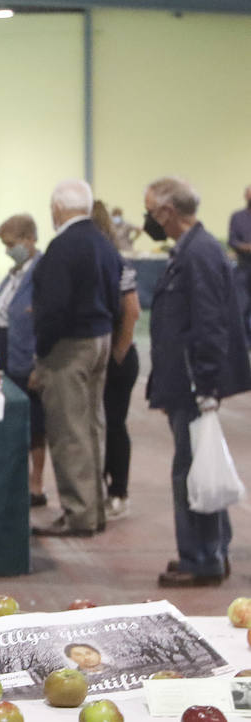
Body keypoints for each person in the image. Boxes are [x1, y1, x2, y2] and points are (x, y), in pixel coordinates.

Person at [144, 176, 251, 587]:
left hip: (193, 382)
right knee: (199, 467)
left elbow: (209, 323)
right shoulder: (191, 250)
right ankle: (211, 551)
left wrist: (205, 385)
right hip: (185, 381)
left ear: (168, 212)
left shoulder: (199, 253)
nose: (149, 220)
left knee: (191, 471)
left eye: (152, 211)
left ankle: (202, 558)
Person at [30, 179, 123, 538]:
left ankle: (78, 514)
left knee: (69, 431)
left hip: (69, 346)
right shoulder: (102, 241)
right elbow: (116, 295)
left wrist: (43, 350)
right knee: (92, 427)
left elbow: (53, 306)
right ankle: (94, 509)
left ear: (57, 208)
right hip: (100, 338)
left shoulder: (63, 247)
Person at [0, 214, 48, 507]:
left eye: (10, 243)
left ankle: (36, 484)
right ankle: (14, 477)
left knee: (35, 422)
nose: (7, 249)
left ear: (29, 239)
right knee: (11, 417)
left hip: (27, 352)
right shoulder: (13, 273)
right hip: (4, 348)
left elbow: (43, 319)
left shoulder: (41, 272)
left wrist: (39, 362)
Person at [91, 201, 142, 520]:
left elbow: (132, 311)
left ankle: (118, 491)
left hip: (118, 357)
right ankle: (100, 485)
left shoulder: (117, 264)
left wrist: (118, 353)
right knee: (99, 424)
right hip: (99, 354)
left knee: (114, 423)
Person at [228, 185, 251, 334]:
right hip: (243, 267)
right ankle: (244, 342)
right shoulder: (237, 217)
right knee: (241, 306)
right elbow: (232, 241)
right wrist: (247, 247)